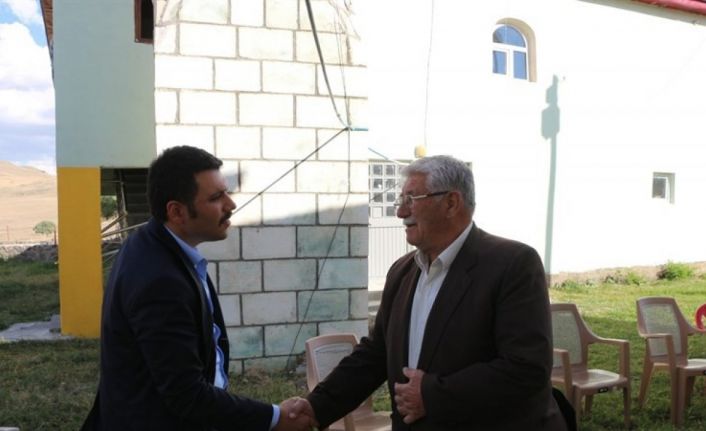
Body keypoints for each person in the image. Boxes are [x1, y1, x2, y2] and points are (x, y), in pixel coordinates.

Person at [295, 155, 568, 430]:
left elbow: (526, 368)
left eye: (411, 199)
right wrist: (315, 408)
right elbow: (376, 354)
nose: (401, 212)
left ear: (451, 203)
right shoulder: (402, 272)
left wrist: (431, 394)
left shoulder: (513, 264)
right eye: (400, 200)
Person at [81, 146, 316, 431]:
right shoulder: (160, 280)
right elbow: (186, 394)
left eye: (226, 192)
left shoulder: (153, 244)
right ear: (177, 211)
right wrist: (275, 419)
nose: (231, 204)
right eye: (216, 198)